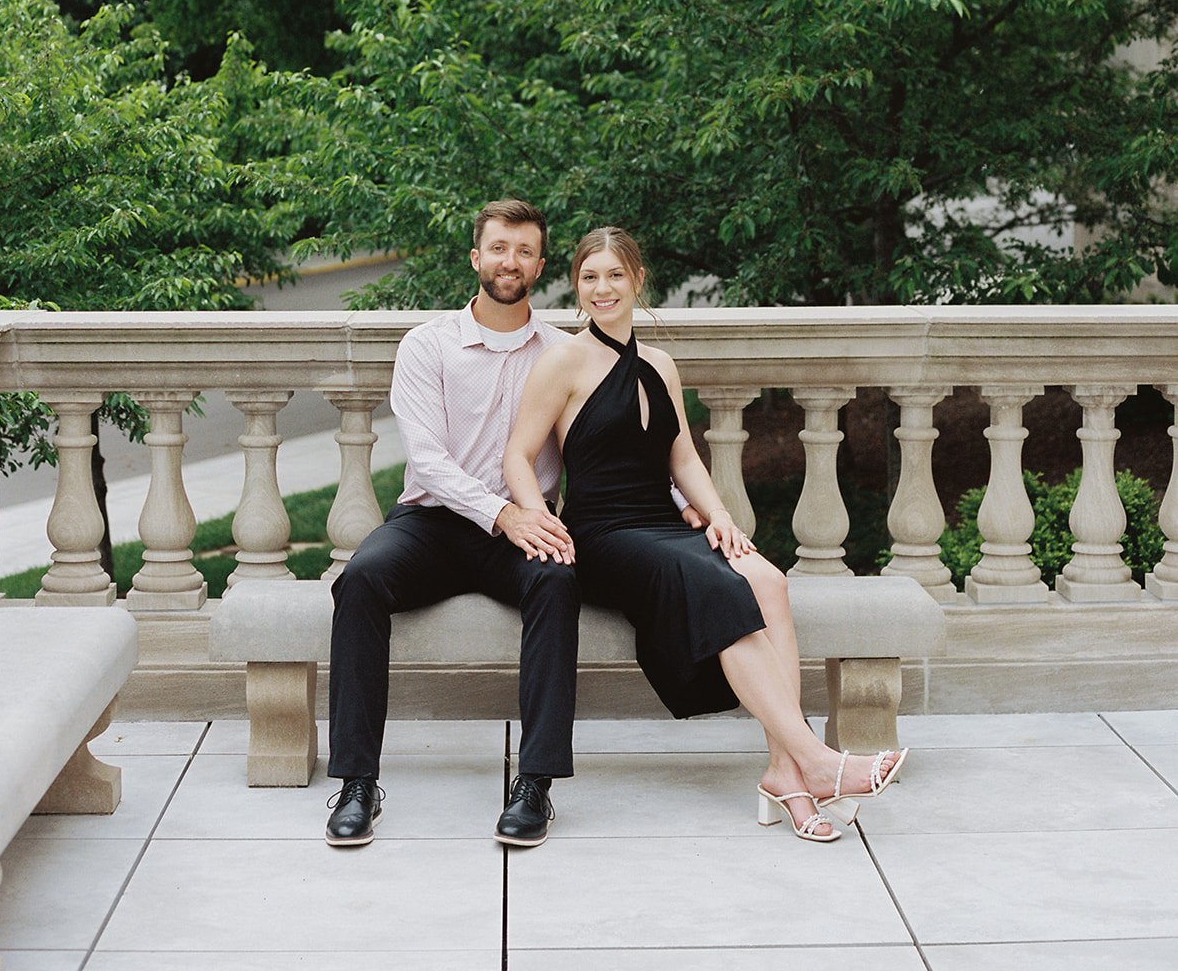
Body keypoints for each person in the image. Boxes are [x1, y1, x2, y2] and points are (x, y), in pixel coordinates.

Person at [503, 225, 907, 843]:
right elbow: (517, 455)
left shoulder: (660, 364)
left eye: (615, 275)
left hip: (663, 525)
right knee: (716, 588)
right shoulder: (561, 360)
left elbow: (683, 457)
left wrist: (718, 515)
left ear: (638, 280)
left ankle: (783, 774)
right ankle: (817, 759)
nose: (601, 288)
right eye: (589, 277)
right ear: (575, 286)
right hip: (606, 536)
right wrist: (537, 518)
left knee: (768, 580)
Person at [325, 198, 581, 850]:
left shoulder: (562, 352)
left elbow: (605, 445)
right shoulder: (427, 345)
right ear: (475, 257)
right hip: (433, 524)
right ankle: (356, 783)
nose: (510, 261)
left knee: (557, 582)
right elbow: (429, 461)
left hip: (523, 530)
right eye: (498, 247)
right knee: (358, 582)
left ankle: (535, 785)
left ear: (540, 266)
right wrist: (504, 513)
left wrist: (681, 496)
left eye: (524, 251)